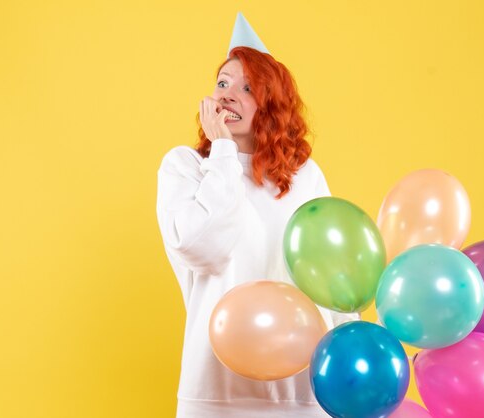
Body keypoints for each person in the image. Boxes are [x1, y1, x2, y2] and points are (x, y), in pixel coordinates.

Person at [156, 13, 358, 418]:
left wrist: (351, 363)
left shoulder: (304, 177)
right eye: (223, 83)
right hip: (216, 392)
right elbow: (203, 248)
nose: (229, 95)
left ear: (272, 105)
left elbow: (334, 275)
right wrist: (224, 151)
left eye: (248, 88)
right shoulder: (186, 167)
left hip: (303, 393)